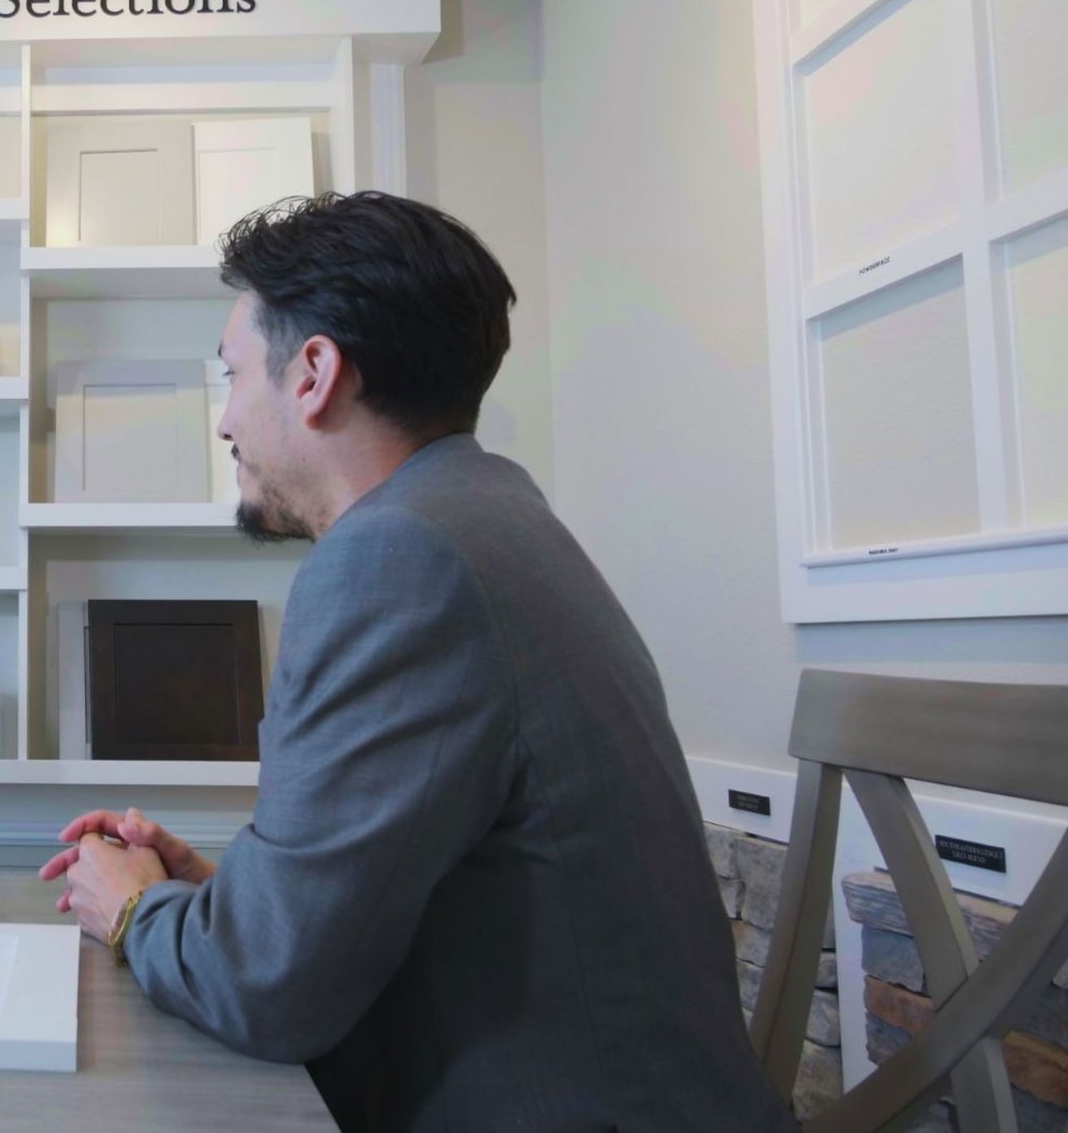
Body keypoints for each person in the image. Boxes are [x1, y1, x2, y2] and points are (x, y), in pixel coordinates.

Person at [41, 192, 797, 1131]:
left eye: (231, 375)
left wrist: (132, 911)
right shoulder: (488, 515)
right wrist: (217, 891)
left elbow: (266, 993)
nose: (226, 420)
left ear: (314, 372)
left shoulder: (395, 559)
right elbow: (411, 885)